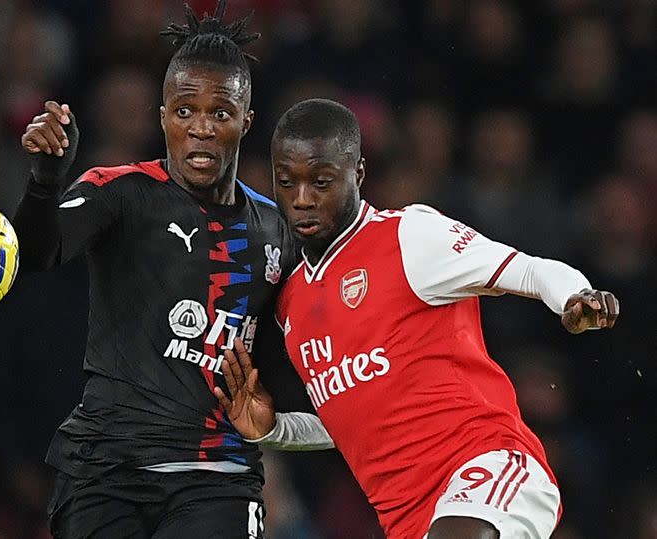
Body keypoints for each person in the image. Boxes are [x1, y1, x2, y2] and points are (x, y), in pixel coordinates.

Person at [214, 98, 620, 539]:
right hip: (409, 522)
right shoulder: (291, 304)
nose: (302, 200)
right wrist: (272, 430)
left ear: (359, 173)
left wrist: (574, 296)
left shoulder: (409, 236)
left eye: (322, 181)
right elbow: (352, 425)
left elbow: (530, 269)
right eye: (287, 183)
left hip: (487, 465)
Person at [12, 2, 311, 537]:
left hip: (217, 475)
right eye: (184, 111)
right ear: (162, 116)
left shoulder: (279, 231)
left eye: (220, 113)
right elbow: (35, 255)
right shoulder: (119, 193)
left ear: (247, 120)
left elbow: (297, 358)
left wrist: (285, 421)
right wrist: (44, 182)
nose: (200, 128)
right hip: (104, 468)